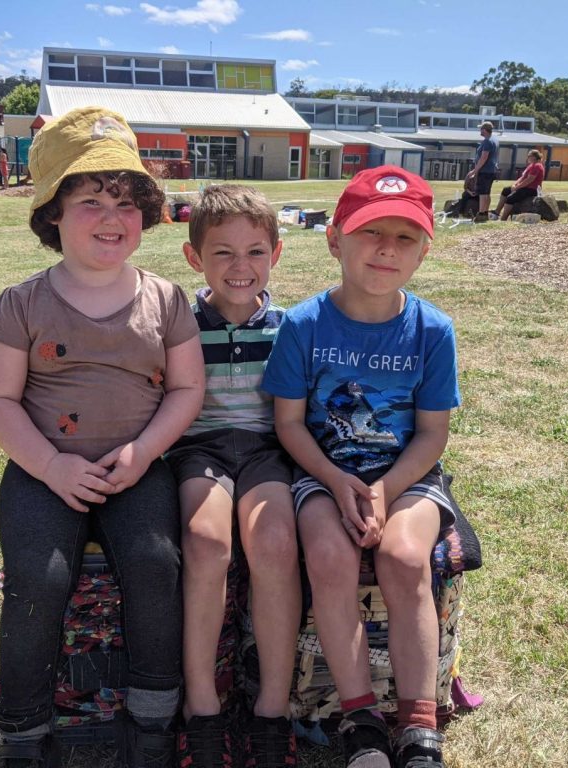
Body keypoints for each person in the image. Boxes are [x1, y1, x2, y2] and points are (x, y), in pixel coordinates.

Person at [0, 106, 205, 768]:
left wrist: (145, 452)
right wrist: (49, 466)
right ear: (51, 212)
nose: (113, 217)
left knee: (156, 567)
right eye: (91, 200)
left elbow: (187, 389)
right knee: (38, 579)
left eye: (129, 202)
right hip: (44, 472)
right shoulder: (21, 303)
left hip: (138, 468)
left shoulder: (165, 299)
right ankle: (25, 733)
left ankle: (152, 724)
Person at [263, 166, 461, 768]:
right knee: (328, 556)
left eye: (406, 238)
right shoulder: (303, 325)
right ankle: (360, 719)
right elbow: (289, 423)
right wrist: (336, 480)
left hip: (408, 477)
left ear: (424, 251)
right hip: (324, 471)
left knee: (404, 558)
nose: (387, 249)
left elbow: (431, 436)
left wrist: (383, 489)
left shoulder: (432, 329)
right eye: (372, 232)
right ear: (334, 238)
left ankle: (419, 722)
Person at [165, 185, 300, 768]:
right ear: (195, 258)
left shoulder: (293, 328)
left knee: (273, 542)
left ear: (275, 253)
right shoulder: (178, 325)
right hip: (201, 450)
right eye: (222, 253)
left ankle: (273, 707)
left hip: (269, 450)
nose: (240, 268)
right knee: (205, 540)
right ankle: (202, 706)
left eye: (254, 252)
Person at [494, 148, 545, 220]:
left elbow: (529, 180)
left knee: (510, 198)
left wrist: (517, 187)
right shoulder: (531, 165)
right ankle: (497, 212)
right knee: (506, 190)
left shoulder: (537, 166)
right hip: (524, 187)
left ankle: (503, 218)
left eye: (529, 156)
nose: (527, 158)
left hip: (531, 189)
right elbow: (522, 177)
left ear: (534, 157)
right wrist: (515, 185)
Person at [467, 120, 499, 222]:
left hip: (485, 171)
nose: (480, 131)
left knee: (482, 193)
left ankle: (481, 214)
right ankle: (485, 212)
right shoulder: (494, 139)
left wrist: (475, 171)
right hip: (491, 170)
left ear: (484, 130)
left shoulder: (487, 141)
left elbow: (484, 157)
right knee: (487, 192)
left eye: (481, 129)